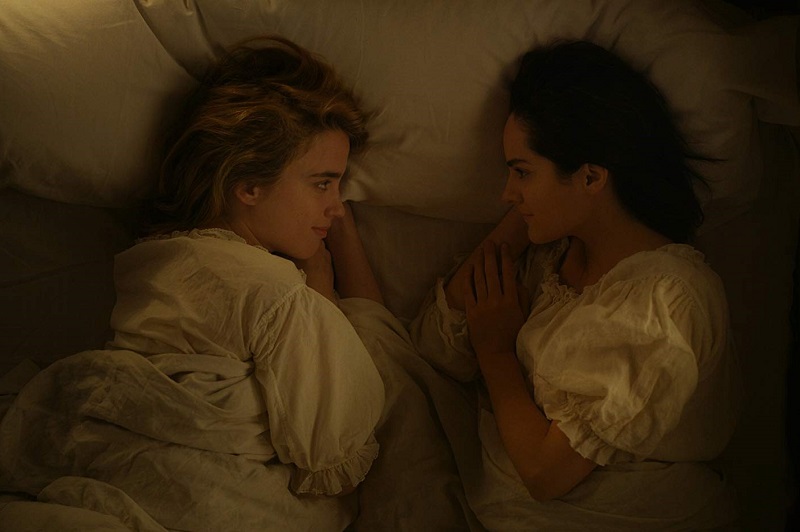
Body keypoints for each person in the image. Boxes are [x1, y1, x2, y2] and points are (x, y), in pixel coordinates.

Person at [0, 36, 385, 530]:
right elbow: (336, 459)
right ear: (249, 183)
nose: (337, 207)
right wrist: (321, 294)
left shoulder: (151, 260)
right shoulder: (280, 294)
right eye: (323, 183)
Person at [410, 40, 741, 530]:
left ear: (590, 177)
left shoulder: (663, 300)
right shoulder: (552, 259)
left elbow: (546, 474)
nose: (505, 194)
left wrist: (496, 351)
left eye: (521, 172)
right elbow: (434, 347)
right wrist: (527, 216)